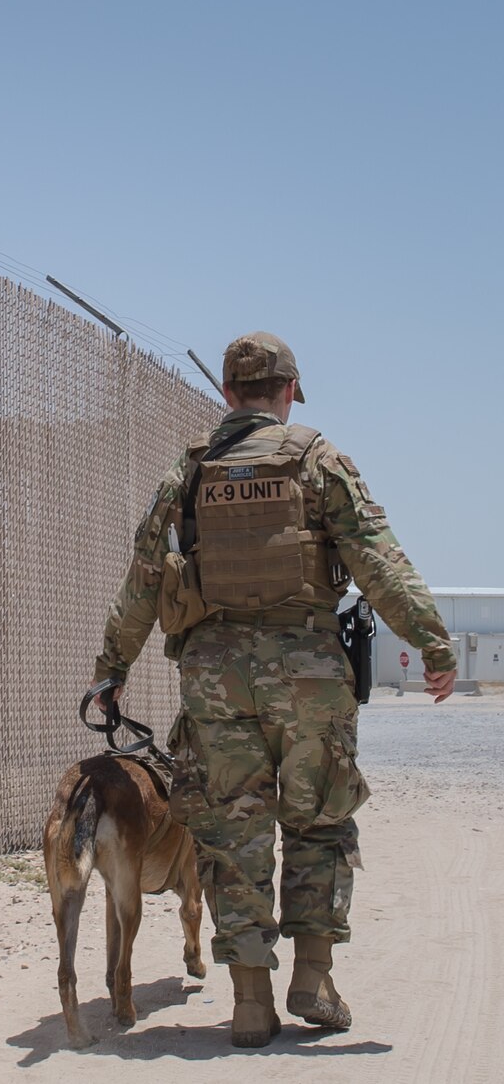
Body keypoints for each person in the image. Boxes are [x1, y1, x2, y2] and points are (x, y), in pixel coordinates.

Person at [89, 331, 457, 1048]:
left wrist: (113, 668)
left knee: (232, 833)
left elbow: (141, 580)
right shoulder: (319, 461)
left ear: (227, 393)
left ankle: (252, 1002)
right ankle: (313, 978)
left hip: (216, 681)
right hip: (310, 678)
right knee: (318, 821)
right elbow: (379, 560)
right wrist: (433, 642)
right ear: (287, 392)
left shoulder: (189, 473)